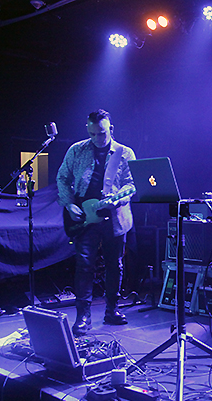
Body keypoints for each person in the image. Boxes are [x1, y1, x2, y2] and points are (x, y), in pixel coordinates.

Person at [57, 109, 136, 336]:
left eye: (101, 133)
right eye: (92, 134)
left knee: (115, 264)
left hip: (114, 216)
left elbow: (131, 184)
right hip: (85, 216)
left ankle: (112, 309)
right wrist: (69, 204)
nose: (97, 138)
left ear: (111, 129)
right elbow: (62, 178)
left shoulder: (125, 153)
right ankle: (83, 316)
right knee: (84, 265)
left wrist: (117, 198)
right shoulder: (76, 150)